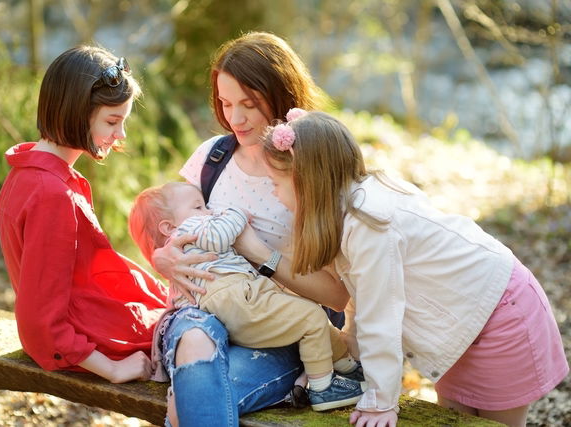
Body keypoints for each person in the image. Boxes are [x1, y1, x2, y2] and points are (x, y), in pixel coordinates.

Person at [261, 110, 570, 427]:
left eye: (275, 183)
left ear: (306, 182)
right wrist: (346, 357)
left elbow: (381, 314)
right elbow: (362, 297)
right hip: (458, 325)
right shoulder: (345, 213)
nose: (273, 192)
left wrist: (382, 402)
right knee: (452, 418)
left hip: (500, 314)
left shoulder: (369, 221)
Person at [151, 32, 353, 425]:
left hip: (275, 325)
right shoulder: (212, 157)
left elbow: (337, 295)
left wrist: (258, 252)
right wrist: (163, 258)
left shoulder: (309, 170)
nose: (235, 118)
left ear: (282, 97)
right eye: (226, 103)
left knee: (186, 405)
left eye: (249, 104)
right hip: (202, 313)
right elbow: (175, 226)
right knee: (195, 350)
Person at [0, 46, 168, 383]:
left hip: (91, 317)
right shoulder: (52, 193)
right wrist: (114, 369)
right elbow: (39, 322)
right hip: (91, 337)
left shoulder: (26, 171)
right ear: (76, 112)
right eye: (112, 121)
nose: (121, 135)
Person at [130, 182, 363, 411]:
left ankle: (347, 365)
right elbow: (220, 236)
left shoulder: (183, 248)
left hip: (239, 296)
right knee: (311, 317)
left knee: (306, 316)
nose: (209, 211)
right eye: (199, 207)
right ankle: (323, 389)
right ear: (168, 227)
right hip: (235, 296)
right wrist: (235, 214)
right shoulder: (188, 231)